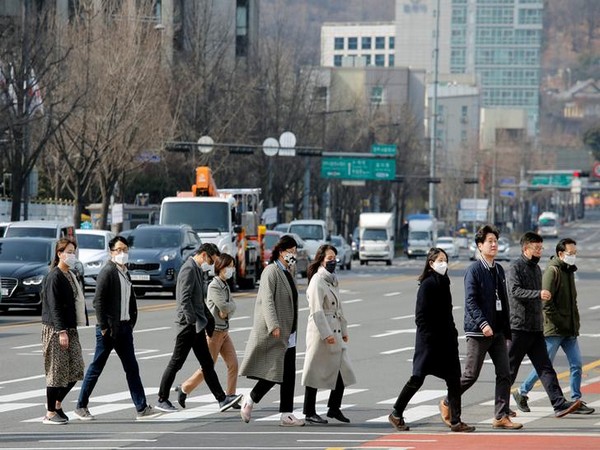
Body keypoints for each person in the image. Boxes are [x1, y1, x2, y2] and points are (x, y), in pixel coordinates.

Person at [440, 225, 521, 429]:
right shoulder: (474, 271)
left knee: (505, 373)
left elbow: (503, 300)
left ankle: (500, 416)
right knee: (470, 375)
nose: (494, 245)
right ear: (479, 245)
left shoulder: (499, 269)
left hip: (498, 332)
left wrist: (506, 331)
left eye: (495, 241)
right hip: (479, 331)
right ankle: (447, 402)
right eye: (490, 241)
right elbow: (471, 302)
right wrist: (483, 324)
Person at [388, 248, 474, 433]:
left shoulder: (444, 282)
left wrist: (453, 333)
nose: (444, 263)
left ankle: (456, 421)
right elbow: (420, 317)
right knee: (417, 378)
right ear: (431, 263)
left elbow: (448, 313)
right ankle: (396, 413)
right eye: (440, 260)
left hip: (447, 342)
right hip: (430, 343)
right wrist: (430, 339)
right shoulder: (427, 284)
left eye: (445, 259)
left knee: (453, 380)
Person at [75, 236, 159, 421]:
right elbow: (98, 301)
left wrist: (130, 323)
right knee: (96, 367)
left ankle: (141, 408)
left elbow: (128, 300)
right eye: (118, 250)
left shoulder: (124, 272)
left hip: (124, 328)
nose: (122, 253)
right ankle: (81, 405)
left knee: (132, 368)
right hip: (109, 330)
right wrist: (104, 327)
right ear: (111, 252)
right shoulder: (108, 272)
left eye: (125, 250)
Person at [156, 244, 242, 413]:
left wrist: (208, 321)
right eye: (211, 260)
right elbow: (184, 299)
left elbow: (199, 301)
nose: (211, 265)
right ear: (204, 255)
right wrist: (192, 322)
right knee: (176, 362)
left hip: (197, 326)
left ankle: (222, 399)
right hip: (188, 326)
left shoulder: (196, 269)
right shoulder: (188, 269)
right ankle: (162, 399)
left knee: (207, 363)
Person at [514, 238, 594, 415]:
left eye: (575, 253)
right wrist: (559, 321)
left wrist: (574, 323)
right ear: (560, 253)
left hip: (569, 329)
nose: (573, 256)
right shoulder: (553, 271)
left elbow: (572, 302)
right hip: (555, 329)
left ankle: (575, 400)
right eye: (570, 253)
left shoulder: (569, 270)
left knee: (577, 364)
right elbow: (546, 303)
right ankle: (522, 391)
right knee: (544, 365)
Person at [239, 235, 304, 427]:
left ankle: (286, 413)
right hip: (276, 330)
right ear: (281, 251)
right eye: (290, 251)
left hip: (289, 332)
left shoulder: (287, 272)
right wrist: (273, 324)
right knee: (275, 372)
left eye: (295, 251)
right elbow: (267, 300)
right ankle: (250, 399)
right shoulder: (271, 271)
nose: (293, 255)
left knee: (288, 373)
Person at [175, 253, 240, 408]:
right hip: (215, 332)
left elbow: (229, 308)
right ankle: (184, 388)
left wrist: (229, 308)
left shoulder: (225, 285)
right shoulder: (214, 285)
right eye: (229, 266)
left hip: (225, 330)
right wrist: (229, 307)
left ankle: (230, 395)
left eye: (233, 266)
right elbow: (224, 307)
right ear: (221, 267)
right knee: (207, 367)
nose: (231, 269)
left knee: (234, 364)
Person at [301, 244, 356, 425]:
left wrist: (344, 330)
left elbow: (339, 308)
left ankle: (334, 408)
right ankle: (309, 411)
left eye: (334, 258)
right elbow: (316, 311)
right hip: (321, 331)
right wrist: (326, 334)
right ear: (321, 259)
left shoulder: (331, 279)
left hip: (335, 329)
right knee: (314, 371)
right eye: (329, 258)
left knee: (342, 368)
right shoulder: (317, 280)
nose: (333, 262)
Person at [41, 238, 86, 424]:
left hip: (70, 327)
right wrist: (61, 332)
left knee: (76, 369)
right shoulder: (54, 276)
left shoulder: (71, 274)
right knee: (56, 371)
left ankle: (57, 403)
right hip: (56, 329)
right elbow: (55, 307)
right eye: (68, 251)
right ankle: (50, 413)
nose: (72, 255)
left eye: (74, 251)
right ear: (59, 254)